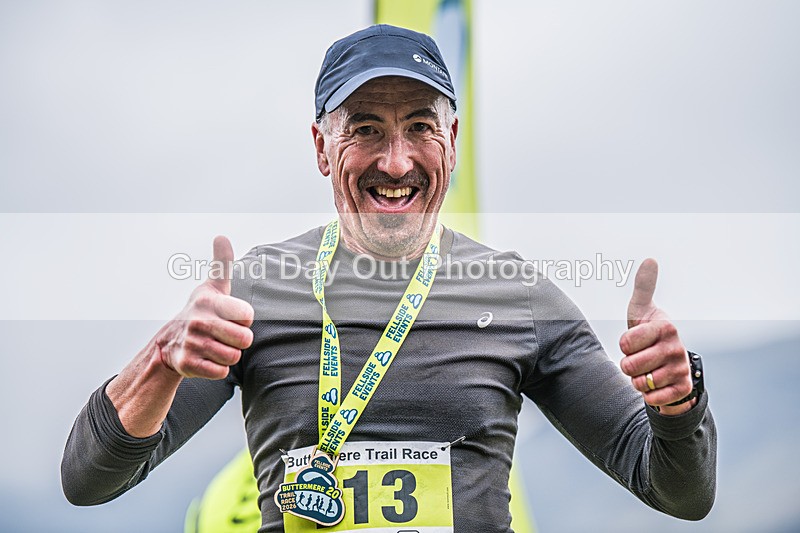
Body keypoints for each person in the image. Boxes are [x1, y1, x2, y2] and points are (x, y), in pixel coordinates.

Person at [61, 25, 716, 532]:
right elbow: (88, 479)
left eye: (420, 127)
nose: (396, 161)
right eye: (366, 129)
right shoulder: (255, 292)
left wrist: (676, 404)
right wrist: (161, 360)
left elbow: (679, 492)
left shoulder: (517, 296)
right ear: (322, 147)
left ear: (453, 140)